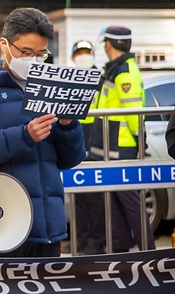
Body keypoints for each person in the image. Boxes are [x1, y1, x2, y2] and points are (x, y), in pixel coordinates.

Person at [0, 7, 85, 258]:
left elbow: (70, 159)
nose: (33, 59)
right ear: (4, 44)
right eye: (26, 52)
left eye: (41, 53)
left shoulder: (50, 87)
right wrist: (24, 135)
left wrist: (68, 125)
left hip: (47, 228)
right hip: (0, 226)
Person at [88, 26, 156, 252]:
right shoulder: (114, 69)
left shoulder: (124, 71)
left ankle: (149, 252)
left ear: (109, 44)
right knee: (115, 202)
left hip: (121, 147)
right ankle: (121, 251)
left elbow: (134, 112)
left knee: (131, 203)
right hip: (109, 146)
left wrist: (139, 142)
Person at [71, 40, 105, 255]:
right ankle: (81, 241)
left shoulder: (101, 79)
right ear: (74, 57)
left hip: (96, 141)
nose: (84, 56)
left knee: (95, 197)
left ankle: (97, 242)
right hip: (76, 141)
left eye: (87, 52)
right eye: (80, 53)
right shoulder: (70, 79)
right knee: (78, 197)